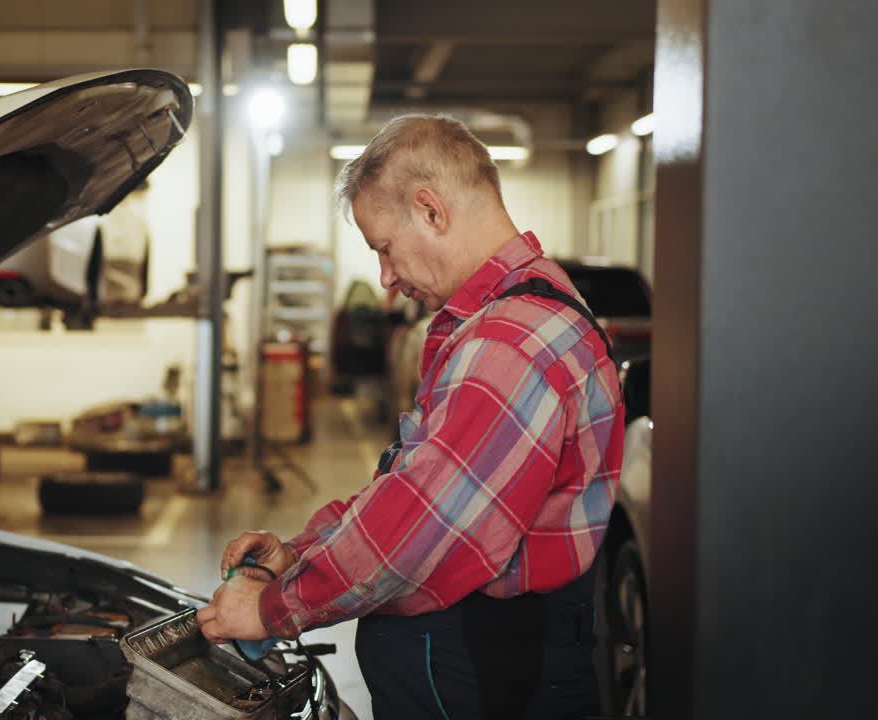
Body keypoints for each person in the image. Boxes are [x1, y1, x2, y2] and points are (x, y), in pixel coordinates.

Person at [196, 114, 625, 719]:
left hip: (486, 673)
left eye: (385, 249)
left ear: (430, 210)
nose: (386, 279)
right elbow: (413, 482)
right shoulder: (509, 319)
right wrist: (300, 551)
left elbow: (417, 530)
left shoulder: (510, 343)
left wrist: (272, 608)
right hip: (490, 662)